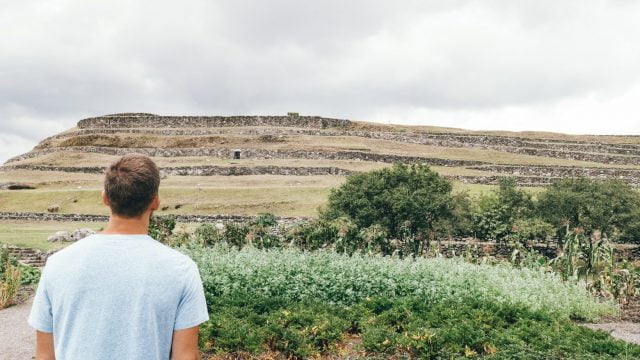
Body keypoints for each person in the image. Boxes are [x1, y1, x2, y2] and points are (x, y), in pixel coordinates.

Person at [28, 154, 209, 360]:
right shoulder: (182, 270)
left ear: (105, 197)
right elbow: (185, 356)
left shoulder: (58, 264)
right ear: (156, 202)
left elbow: (44, 355)